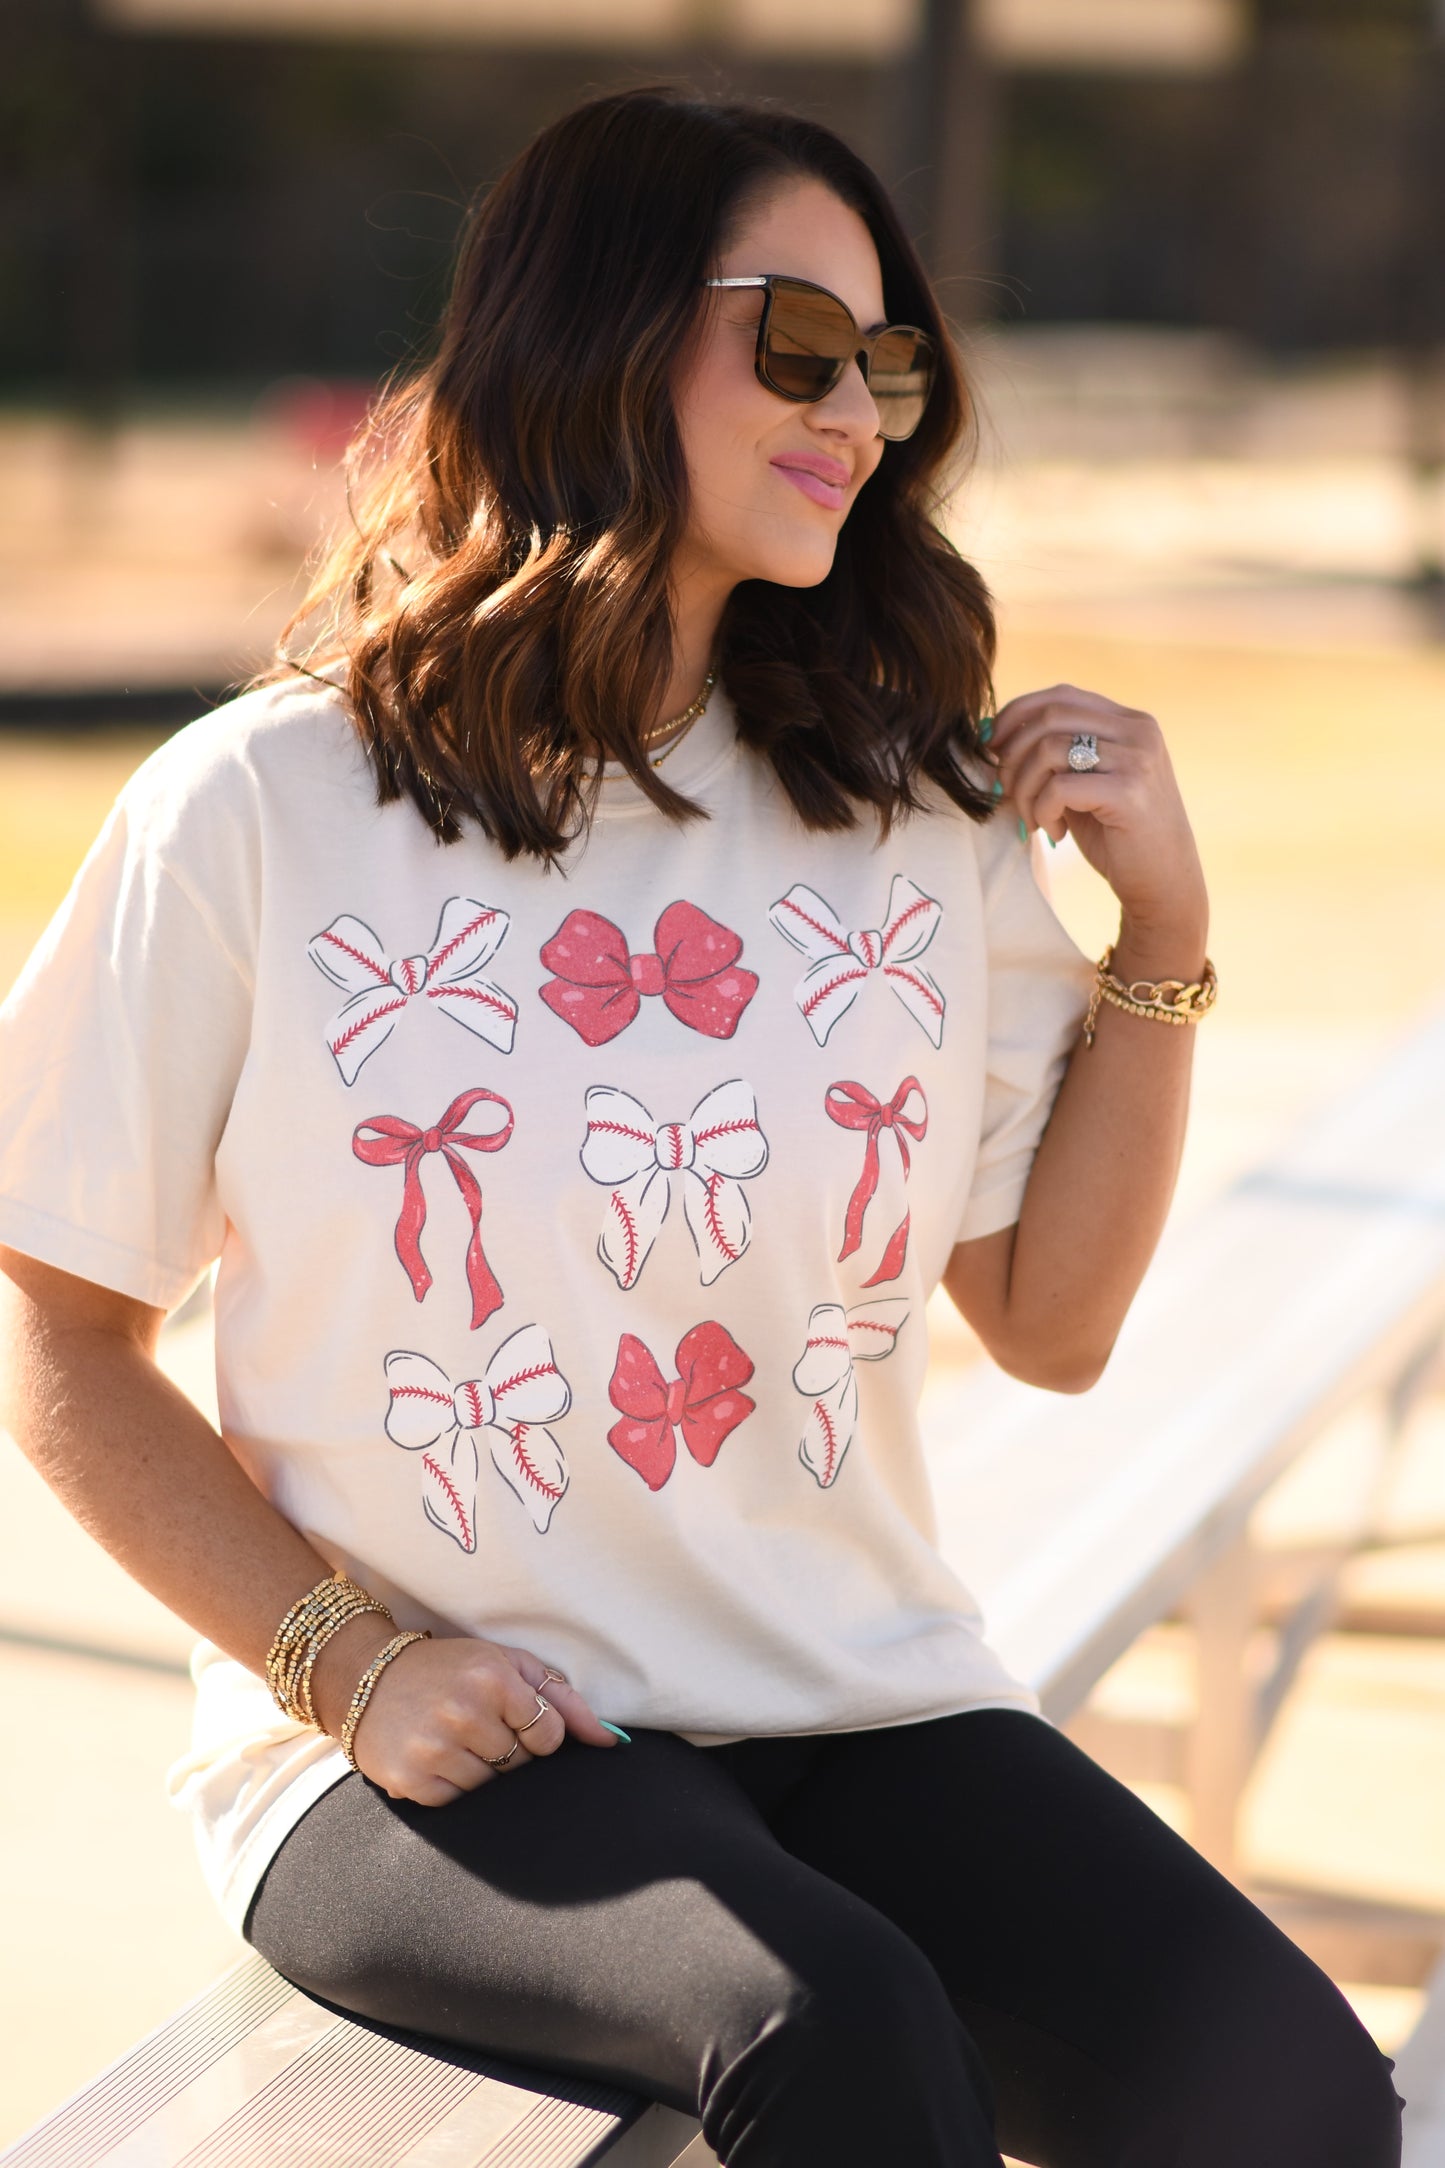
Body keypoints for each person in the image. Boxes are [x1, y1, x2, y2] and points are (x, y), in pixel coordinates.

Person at [0, 85, 1403, 2168]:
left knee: (1290, 2092)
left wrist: (1164, 937)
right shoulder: (259, 811)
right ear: (602, 328)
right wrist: (344, 1658)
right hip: (443, 1749)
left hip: (856, 1692)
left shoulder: (904, 811)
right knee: (835, 2037)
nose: (864, 410)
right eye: (800, 343)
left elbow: (1051, 1318)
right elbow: (61, 1331)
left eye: (896, 362)